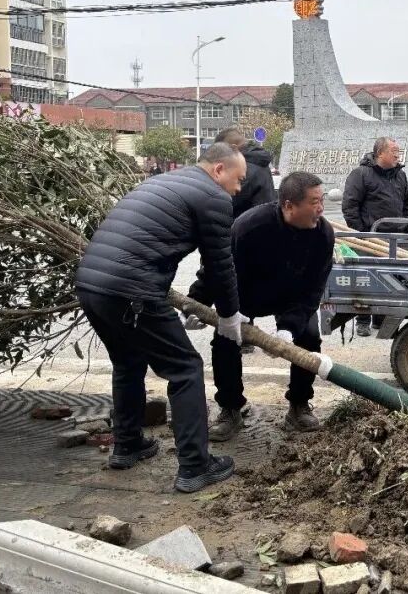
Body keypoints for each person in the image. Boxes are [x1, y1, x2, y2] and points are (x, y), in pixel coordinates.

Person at [75, 143, 250, 493]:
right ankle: (195, 465)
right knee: (185, 368)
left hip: (91, 285)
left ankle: (127, 445)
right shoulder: (213, 197)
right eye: (238, 179)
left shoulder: (163, 181)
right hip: (132, 292)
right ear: (219, 169)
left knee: (128, 362)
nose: (239, 188)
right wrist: (230, 315)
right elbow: (220, 264)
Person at [194, 171, 335, 438]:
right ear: (289, 205)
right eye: (314, 202)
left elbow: (312, 291)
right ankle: (230, 408)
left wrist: (288, 328)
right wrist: (197, 302)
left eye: (322, 200)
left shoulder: (323, 235)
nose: (320, 209)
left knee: (309, 337)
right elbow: (218, 268)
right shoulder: (250, 226)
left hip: (292, 297)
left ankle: (299, 404)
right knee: (225, 340)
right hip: (246, 295)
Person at [186, 128, 276, 354]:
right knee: (240, 281)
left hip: (238, 232)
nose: (237, 186)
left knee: (224, 275)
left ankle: (226, 330)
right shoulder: (261, 163)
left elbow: (225, 199)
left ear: (234, 149)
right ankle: (238, 332)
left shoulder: (245, 167)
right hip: (256, 233)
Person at [342, 137, 408, 336]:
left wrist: (405, 227)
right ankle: (363, 320)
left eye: (398, 151)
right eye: (394, 151)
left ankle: (380, 320)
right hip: (370, 239)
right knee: (367, 278)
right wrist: (362, 233)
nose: (398, 155)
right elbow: (350, 207)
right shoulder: (361, 174)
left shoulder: (400, 176)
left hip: (395, 238)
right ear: (380, 153)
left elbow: (407, 204)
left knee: (389, 279)